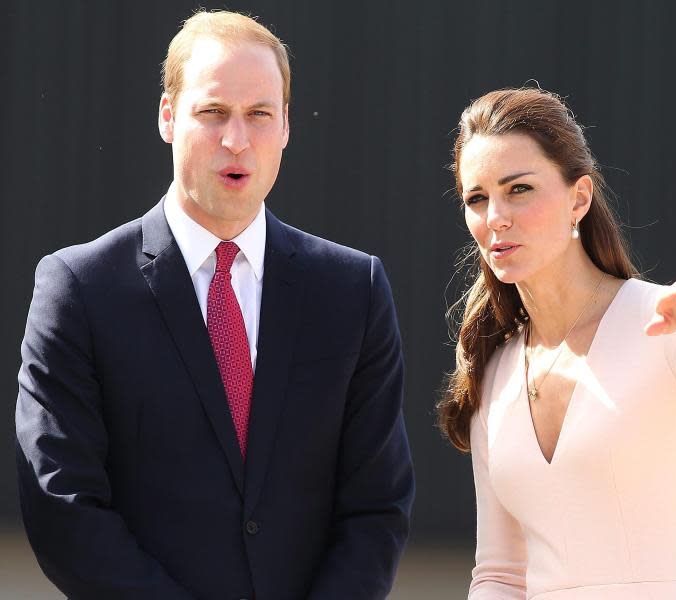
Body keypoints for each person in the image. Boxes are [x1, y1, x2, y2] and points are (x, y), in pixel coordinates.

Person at [16, 11, 413, 600]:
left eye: (259, 115)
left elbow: (376, 505)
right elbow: (62, 505)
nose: (237, 139)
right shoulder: (79, 288)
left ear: (286, 128)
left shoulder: (354, 290)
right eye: (213, 113)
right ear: (168, 117)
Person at [437, 87, 676, 600]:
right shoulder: (491, 365)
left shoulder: (666, 323)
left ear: (578, 198)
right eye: (477, 198)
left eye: (518, 189)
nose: (495, 216)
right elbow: (499, 574)